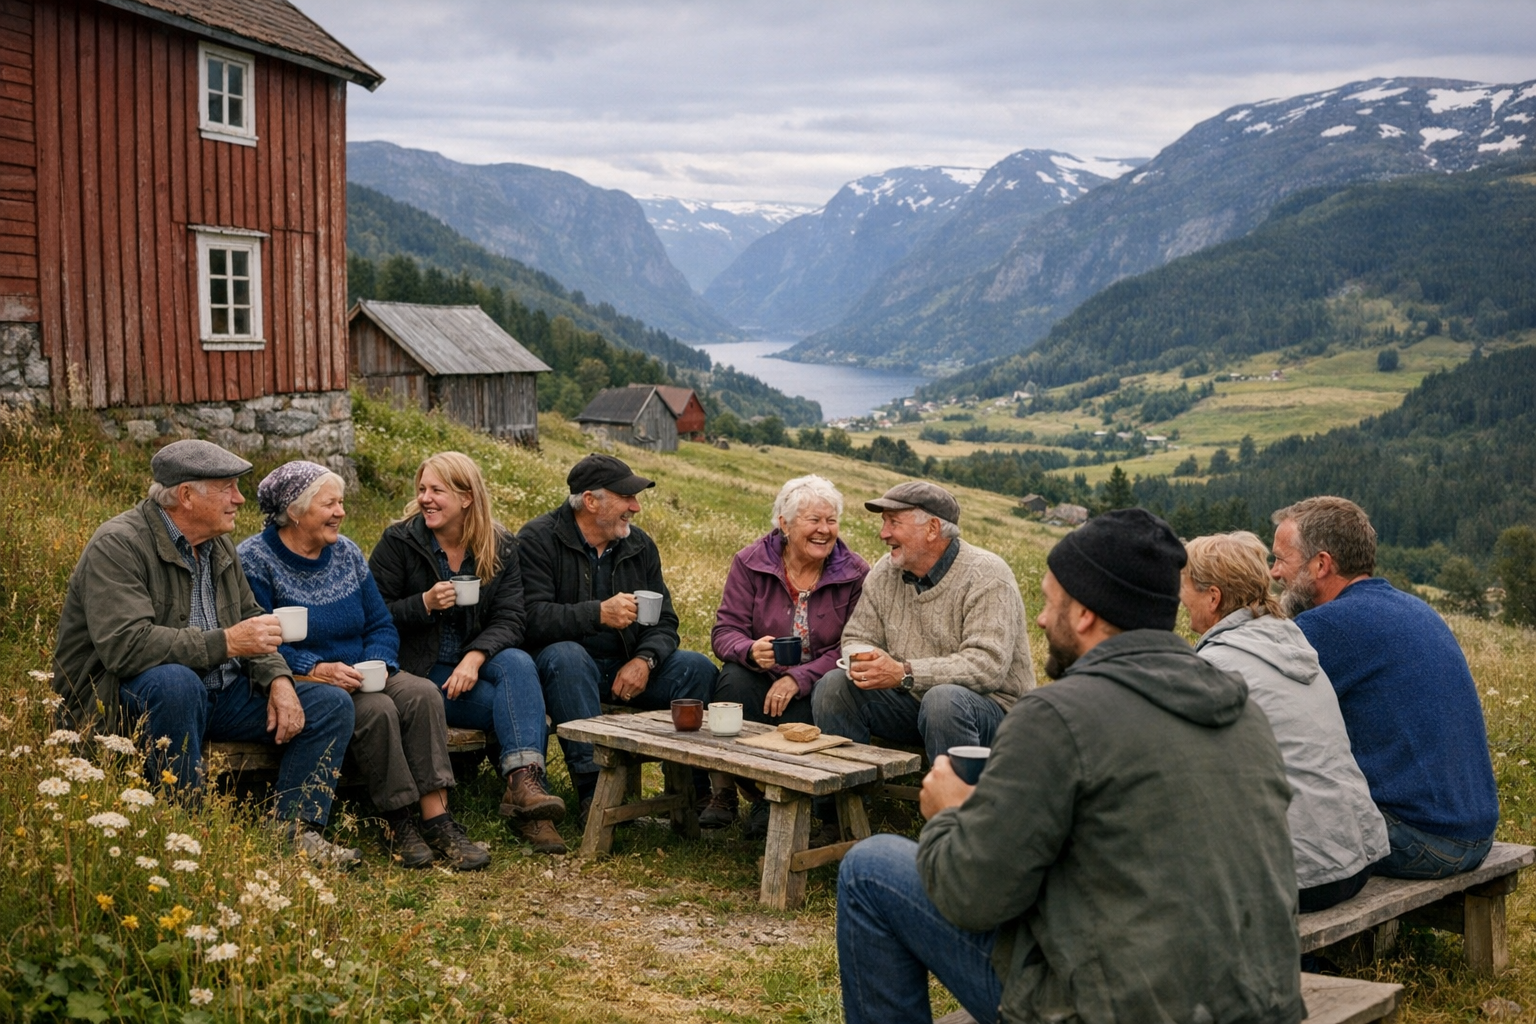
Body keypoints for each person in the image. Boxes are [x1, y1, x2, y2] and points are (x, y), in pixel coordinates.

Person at [836, 509, 1302, 1024]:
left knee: (869, 867)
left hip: (1111, 1008)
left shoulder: (1057, 718)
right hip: (1259, 1004)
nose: (1039, 618)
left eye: (1049, 600)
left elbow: (972, 898)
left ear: (1083, 614)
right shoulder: (1242, 710)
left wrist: (950, 816)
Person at [51, 440, 360, 867]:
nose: (239, 498)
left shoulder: (218, 545)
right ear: (186, 496)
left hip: (218, 694)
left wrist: (280, 680)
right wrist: (227, 643)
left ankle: (295, 830)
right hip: (127, 699)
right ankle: (183, 829)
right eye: (228, 488)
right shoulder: (119, 545)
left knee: (329, 704)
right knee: (176, 681)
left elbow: (253, 620)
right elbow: (126, 647)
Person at [239, 460, 489, 871]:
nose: (341, 512)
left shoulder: (347, 553)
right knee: (377, 711)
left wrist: (381, 662)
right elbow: (256, 641)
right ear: (295, 511)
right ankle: (398, 821)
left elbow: (380, 622)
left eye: (341, 503)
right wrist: (317, 667)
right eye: (329, 505)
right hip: (310, 679)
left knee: (423, 694)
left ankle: (438, 818)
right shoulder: (255, 559)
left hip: (364, 668)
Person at [1270, 496, 1499, 879]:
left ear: (1321, 564)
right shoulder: (1414, 608)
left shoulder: (1328, 627)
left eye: (1280, 559)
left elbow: (1262, 714)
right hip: (1473, 831)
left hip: (1423, 839)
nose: (1275, 573)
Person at [369, 452, 567, 856]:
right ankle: (530, 805)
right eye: (422, 489)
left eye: (437, 490)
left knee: (517, 661)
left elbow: (512, 618)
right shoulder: (400, 541)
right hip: (420, 676)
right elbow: (373, 614)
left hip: (469, 671)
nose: (425, 498)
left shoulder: (499, 544)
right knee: (514, 707)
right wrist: (422, 603)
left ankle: (523, 785)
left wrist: (475, 657)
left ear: (467, 498)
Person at [1183, 531, 1389, 912]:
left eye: (1186, 589)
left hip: (1302, 876)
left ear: (1213, 597)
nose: (1182, 600)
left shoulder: (1220, 667)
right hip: (1354, 859)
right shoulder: (1290, 644)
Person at [519, 453, 715, 817]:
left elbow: (666, 621)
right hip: (564, 675)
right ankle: (594, 792)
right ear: (591, 501)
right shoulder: (538, 539)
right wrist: (597, 614)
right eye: (626, 497)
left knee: (697, 668)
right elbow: (527, 617)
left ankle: (693, 789)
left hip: (626, 669)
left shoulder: (639, 545)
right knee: (567, 656)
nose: (636, 507)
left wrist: (645, 660)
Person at [811, 481, 1034, 765]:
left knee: (943, 701)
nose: (883, 533)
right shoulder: (886, 571)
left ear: (932, 529)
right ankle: (838, 804)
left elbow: (986, 666)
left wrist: (904, 672)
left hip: (994, 714)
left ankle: (955, 808)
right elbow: (857, 635)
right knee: (834, 686)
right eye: (883, 522)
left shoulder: (988, 575)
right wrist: (865, 660)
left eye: (894, 522)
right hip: (915, 704)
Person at [706, 474, 869, 834]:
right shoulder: (750, 562)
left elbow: (853, 645)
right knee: (732, 681)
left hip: (817, 688)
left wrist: (798, 678)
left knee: (832, 690)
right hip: (762, 683)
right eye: (814, 520)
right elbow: (724, 632)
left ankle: (812, 805)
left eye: (831, 520)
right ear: (784, 523)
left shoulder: (855, 573)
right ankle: (755, 793)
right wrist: (749, 650)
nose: (824, 530)